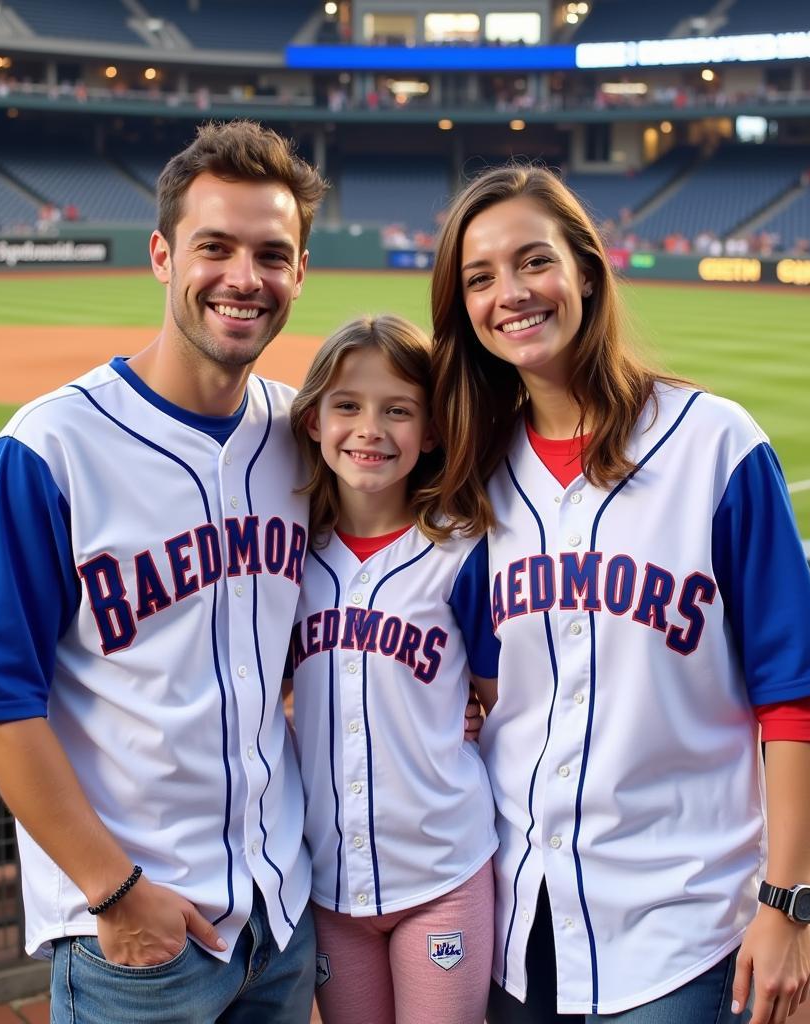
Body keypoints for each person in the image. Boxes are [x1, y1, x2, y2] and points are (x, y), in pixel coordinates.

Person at [429, 165, 810, 1024]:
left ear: (585, 270)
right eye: (480, 277)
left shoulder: (715, 447)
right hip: (520, 914)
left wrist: (789, 904)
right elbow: (485, 688)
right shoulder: (474, 481)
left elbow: (795, 697)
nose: (510, 293)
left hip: (683, 922)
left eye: (532, 261)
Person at [0, 120, 327, 1023]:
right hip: (138, 941)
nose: (245, 277)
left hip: (280, 918)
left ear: (300, 273)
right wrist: (114, 895)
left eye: (272, 254)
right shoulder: (48, 449)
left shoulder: (305, 435)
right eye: (215, 248)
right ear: (163, 255)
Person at [287, 314, 499, 1024]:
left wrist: (465, 711)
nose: (370, 428)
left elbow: (508, 703)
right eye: (347, 405)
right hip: (329, 882)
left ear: (431, 431)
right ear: (314, 420)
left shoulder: (464, 553)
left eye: (398, 410)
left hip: (441, 870)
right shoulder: (288, 556)